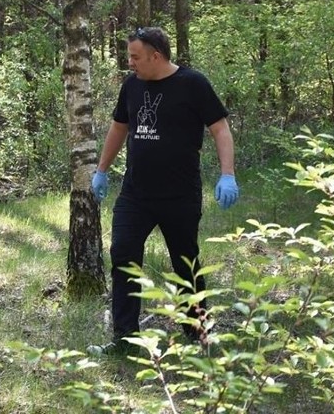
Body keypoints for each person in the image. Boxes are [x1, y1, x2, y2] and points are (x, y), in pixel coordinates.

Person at [90, 27, 239, 353]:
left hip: (180, 195)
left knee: (185, 262)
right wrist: (101, 170)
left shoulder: (192, 84)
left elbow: (220, 129)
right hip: (135, 195)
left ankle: (198, 332)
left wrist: (227, 174)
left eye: (135, 56)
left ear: (156, 56)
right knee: (124, 258)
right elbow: (119, 127)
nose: (130, 62)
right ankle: (125, 339)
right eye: (129, 56)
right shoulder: (131, 85)